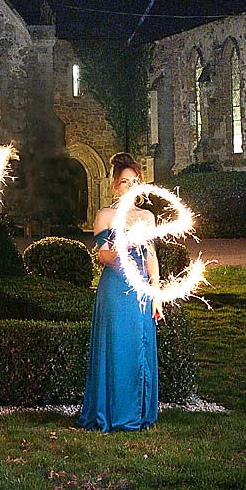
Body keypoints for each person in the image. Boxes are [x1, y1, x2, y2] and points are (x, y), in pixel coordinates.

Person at [78, 152, 164, 432]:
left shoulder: (147, 217)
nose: (130, 186)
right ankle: (112, 413)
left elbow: (151, 256)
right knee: (116, 347)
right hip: (115, 288)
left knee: (139, 345)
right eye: (125, 181)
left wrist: (156, 293)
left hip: (141, 290)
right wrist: (122, 248)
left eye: (135, 181)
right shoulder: (105, 216)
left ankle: (138, 413)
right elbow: (102, 256)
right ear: (115, 185)